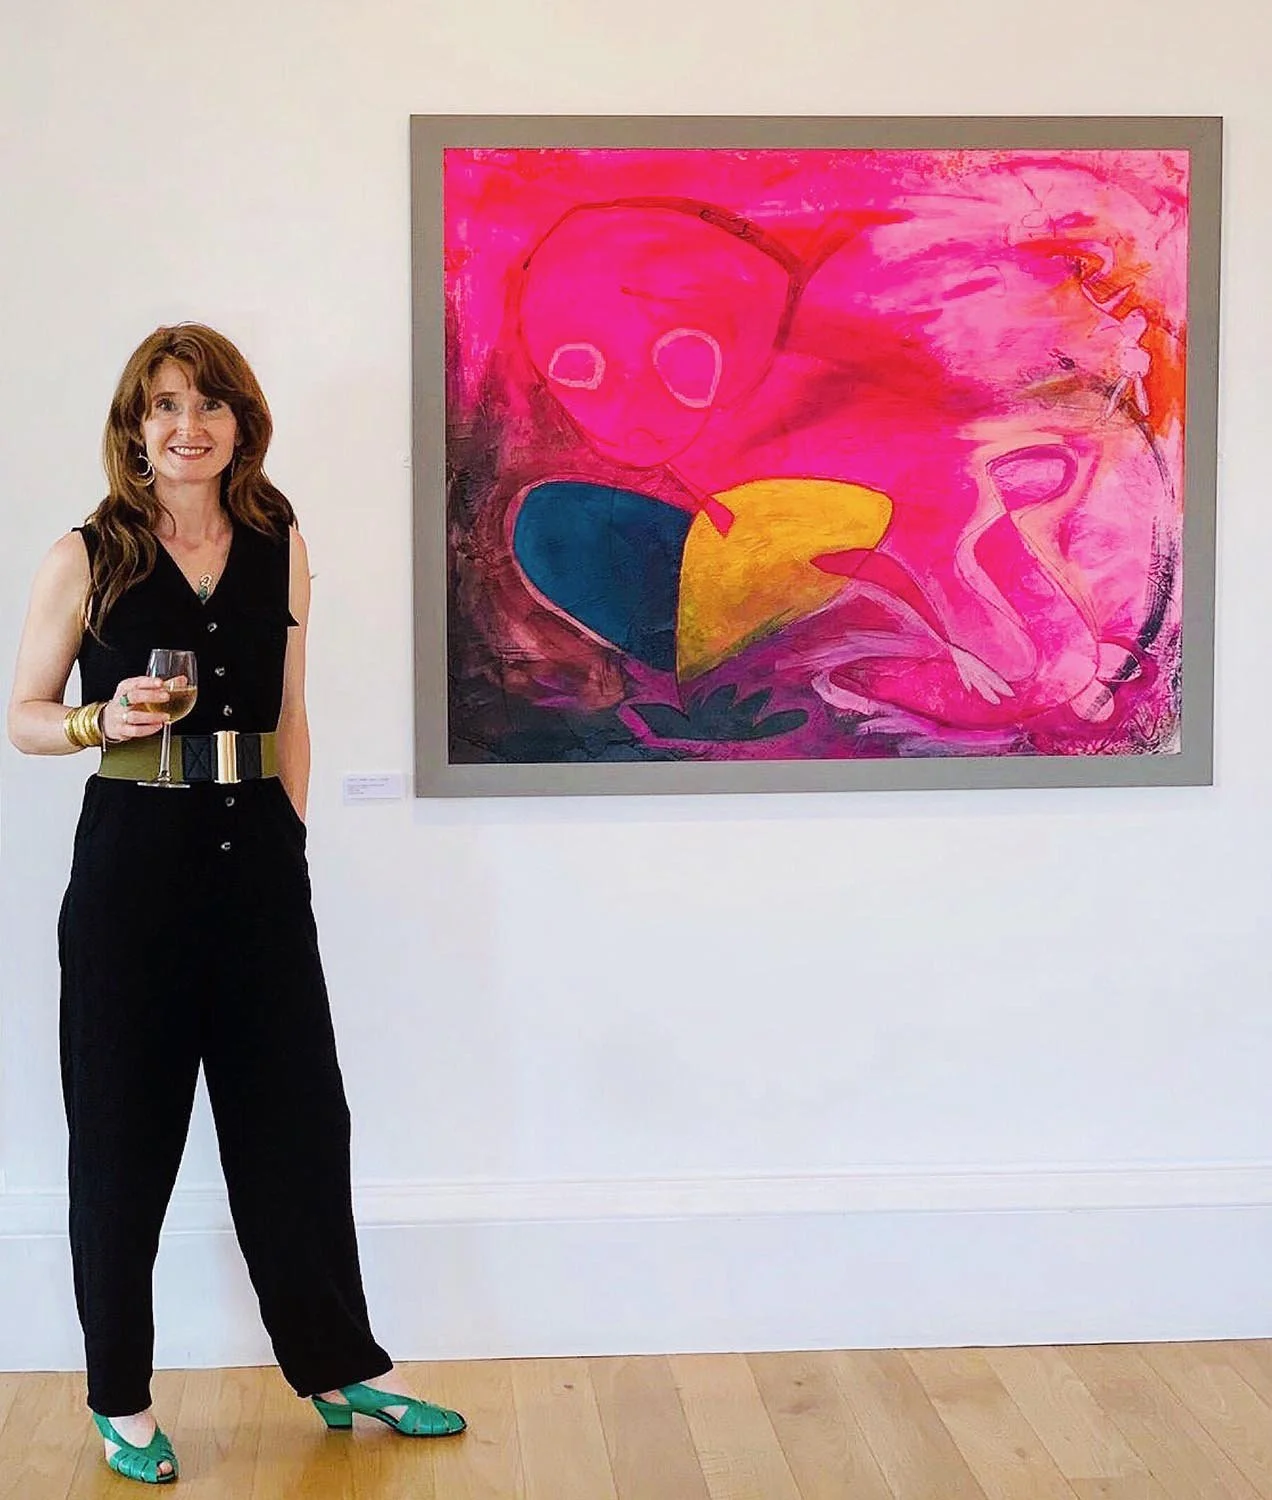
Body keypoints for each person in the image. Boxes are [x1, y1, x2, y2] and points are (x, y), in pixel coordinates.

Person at [6, 324, 465, 1485]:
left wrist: (289, 839)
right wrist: (97, 720)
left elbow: (291, 710)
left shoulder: (277, 540)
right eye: (164, 405)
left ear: (241, 423)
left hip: (258, 862)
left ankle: (337, 1366)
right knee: (124, 1139)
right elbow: (22, 715)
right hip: (131, 871)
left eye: (209, 404)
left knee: (299, 1126)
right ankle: (120, 1398)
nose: (187, 425)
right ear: (135, 428)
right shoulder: (86, 554)